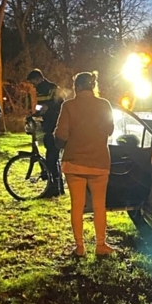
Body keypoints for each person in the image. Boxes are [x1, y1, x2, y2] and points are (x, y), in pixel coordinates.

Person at [55, 72, 115, 257]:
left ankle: (80, 247)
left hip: (74, 163)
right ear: (93, 86)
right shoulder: (104, 105)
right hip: (99, 162)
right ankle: (100, 245)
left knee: (77, 205)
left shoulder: (68, 106)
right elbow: (110, 130)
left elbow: (61, 135)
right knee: (99, 205)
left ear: (77, 87)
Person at [27, 68, 65, 198]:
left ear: (39, 79)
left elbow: (57, 105)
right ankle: (58, 186)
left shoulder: (50, 88)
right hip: (49, 125)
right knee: (52, 156)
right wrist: (36, 113)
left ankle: (54, 187)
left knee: (51, 157)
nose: (33, 85)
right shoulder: (42, 89)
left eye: (33, 82)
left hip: (54, 126)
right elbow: (41, 106)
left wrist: (46, 110)